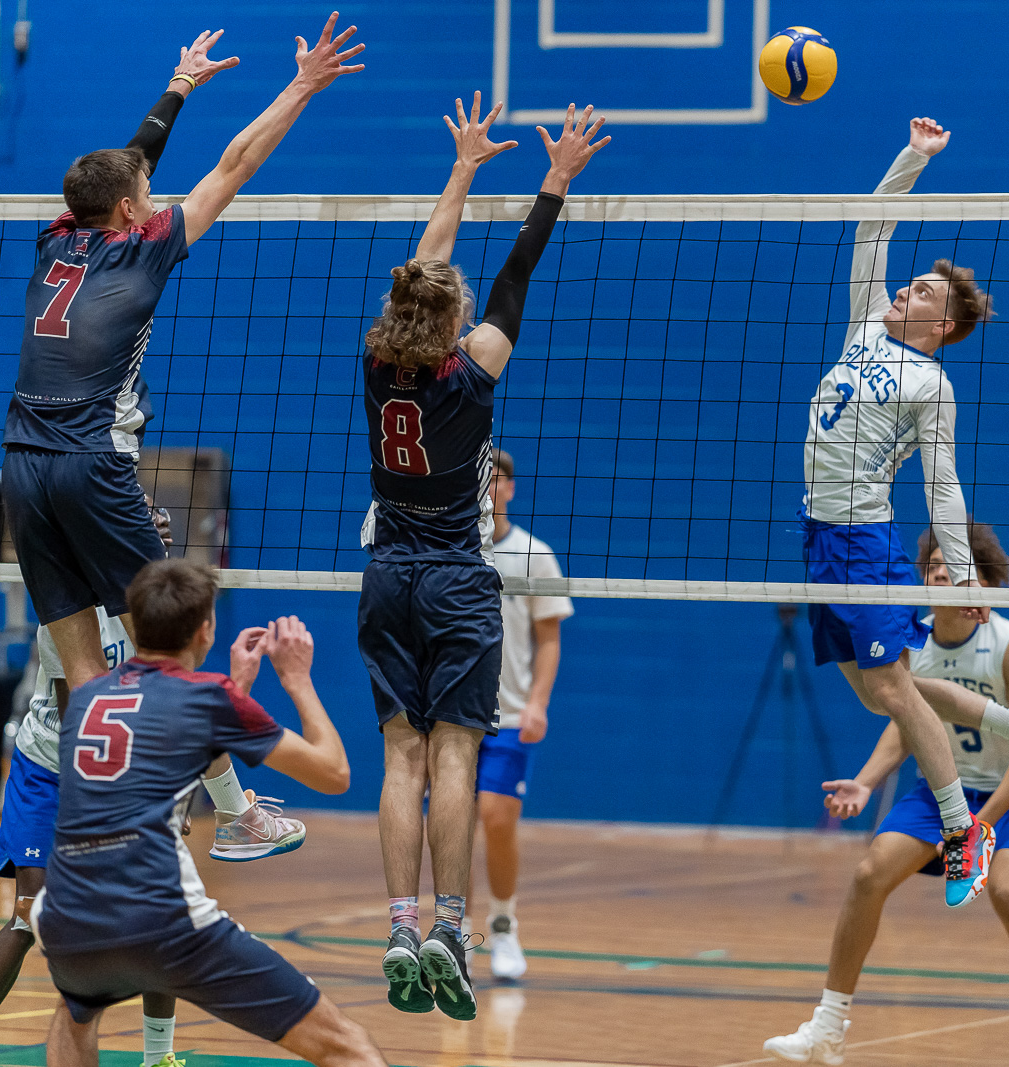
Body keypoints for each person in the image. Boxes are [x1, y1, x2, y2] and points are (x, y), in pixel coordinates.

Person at [1, 12, 364, 699]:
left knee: (82, 670)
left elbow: (129, 165)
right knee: (172, 644)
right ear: (132, 215)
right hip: (91, 463)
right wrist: (302, 87)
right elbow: (236, 163)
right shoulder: (145, 251)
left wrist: (179, 87)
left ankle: (96, 803)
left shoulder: (55, 239)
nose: (155, 195)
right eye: (147, 197)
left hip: (22, 463)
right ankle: (233, 807)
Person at [357, 94, 607, 1019]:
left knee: (400, 759)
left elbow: (425, 267)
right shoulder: (475, 369)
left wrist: (462, 168)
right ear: (454, 316)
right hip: (458, 579)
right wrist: (553, 178)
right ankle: (450, 930)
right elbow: (517, 272)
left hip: (386, 574)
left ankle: (395, 925)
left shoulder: (378, 363)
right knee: (455, 757)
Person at [800, 117, 1009, 909]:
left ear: (944, 326)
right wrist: (914, 158)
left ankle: (962, 831)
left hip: (861, 536)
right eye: (911, 281)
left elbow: (946, 484)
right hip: (820, 535)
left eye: (922, 290)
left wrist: (957, 563)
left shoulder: (932, 384)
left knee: (897, 690)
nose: (905, 288)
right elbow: (872, 223)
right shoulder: (866, 323)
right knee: (881, 690)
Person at [0, 504, 295, 1067]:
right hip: (52, 768)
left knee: (160, 911)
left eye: (161, 534)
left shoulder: (162, 621)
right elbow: (79, 722)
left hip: (127, 772)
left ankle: (159, 1056)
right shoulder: (71, 613)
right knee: (28, 913)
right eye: (143, 531)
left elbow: (178, 705)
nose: (154, 540)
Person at [765, 521, 1009, 1067]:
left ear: (982, 582)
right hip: (943, 788)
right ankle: (828, 1027)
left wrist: (980, 826)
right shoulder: (907, 642)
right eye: (934, 563)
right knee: (870, 874)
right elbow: (904, 723)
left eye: (956, 565)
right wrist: (866, 781)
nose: (941, 571)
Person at [34, 559, 378, 1067]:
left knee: (74, 1009)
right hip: (162, 921)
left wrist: (236, 683)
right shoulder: (209, 698)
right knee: (347, 1047)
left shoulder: (85, 699)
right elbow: (334, 774)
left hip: (65, 920)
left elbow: (161, 727)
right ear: (206, 629)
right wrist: (297, 679)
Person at [476, 448, 573, 980]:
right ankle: (455, 934)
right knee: (449, 825)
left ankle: (504, 925)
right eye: (479, 479)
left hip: (510, 715)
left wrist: (538, 703)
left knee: (496, 819)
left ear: (510, 488)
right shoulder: (450, 549)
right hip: (453, 716)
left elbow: (550, 638)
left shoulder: (537, 555)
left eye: (496, 479)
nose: (489, 488)